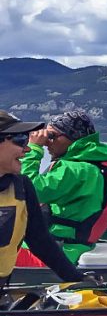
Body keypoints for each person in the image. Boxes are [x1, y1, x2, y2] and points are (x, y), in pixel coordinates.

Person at [20, 110, 107, 264]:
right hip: (72, 248)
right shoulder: (96, 165)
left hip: (53, 253)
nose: (47, 142)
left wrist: (33, 149)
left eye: (52, 136)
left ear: (72, 138)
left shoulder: (74, 170)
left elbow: (27, 189)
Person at [0, 111, 84, 289]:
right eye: (20, 140)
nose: (27, 149)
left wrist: (77, 280)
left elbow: (40, 240)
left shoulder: (22, 186)